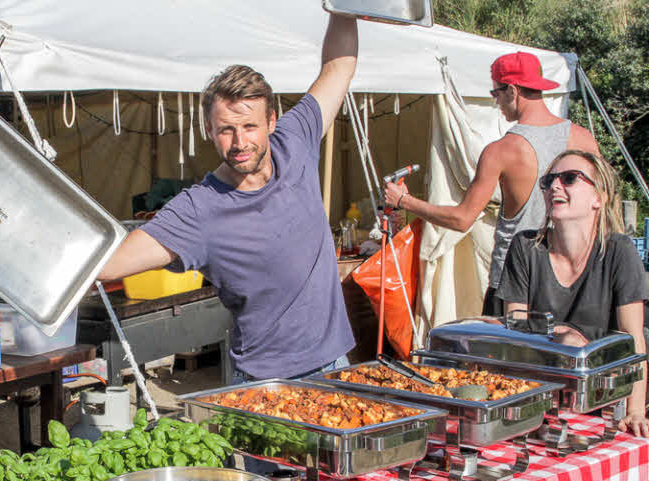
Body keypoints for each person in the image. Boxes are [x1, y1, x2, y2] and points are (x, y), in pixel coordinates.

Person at [97, 15, 358, 381]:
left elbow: (338, 66)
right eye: (226, 130)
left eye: (250, 126)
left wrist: (344, 10)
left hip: (334, 365)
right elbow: (107, 264)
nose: (239, 143)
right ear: (208, 129)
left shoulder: (295, 141)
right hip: (264, 384)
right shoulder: (198, 210)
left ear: (271, 120)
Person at [383, 51, 599, 315]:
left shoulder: (502, 150)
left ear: (512, 90)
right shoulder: (584, 139)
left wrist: (404, 200)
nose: (496, 102)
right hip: (574, 281)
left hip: (515, 287)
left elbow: (462, 219)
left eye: (495, 94)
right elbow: (600, 208)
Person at [496, 150, 648, 437]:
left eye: (569, 179)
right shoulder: (525, 247)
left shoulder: (619, 250)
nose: (555, 186)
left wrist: (635, 411)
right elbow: (515, 335)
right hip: (536, 398)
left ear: (598, 198)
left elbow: (634, 339)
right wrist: (563, 335)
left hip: (601, 400)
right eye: (549, 180)